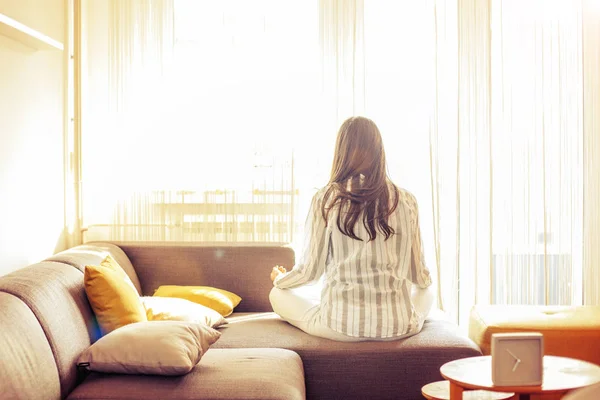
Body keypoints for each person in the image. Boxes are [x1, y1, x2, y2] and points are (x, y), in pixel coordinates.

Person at [269, 116, 434, 342]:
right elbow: (418, 275)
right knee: (428, 291)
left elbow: (310, 273)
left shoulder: (326, 199)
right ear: (379, 152)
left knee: (277, 294)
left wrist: (280, 279)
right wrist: (423, 284)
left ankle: (327, 304)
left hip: (340, 327)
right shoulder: (406, 200)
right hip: (398, 327)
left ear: (341, 153)